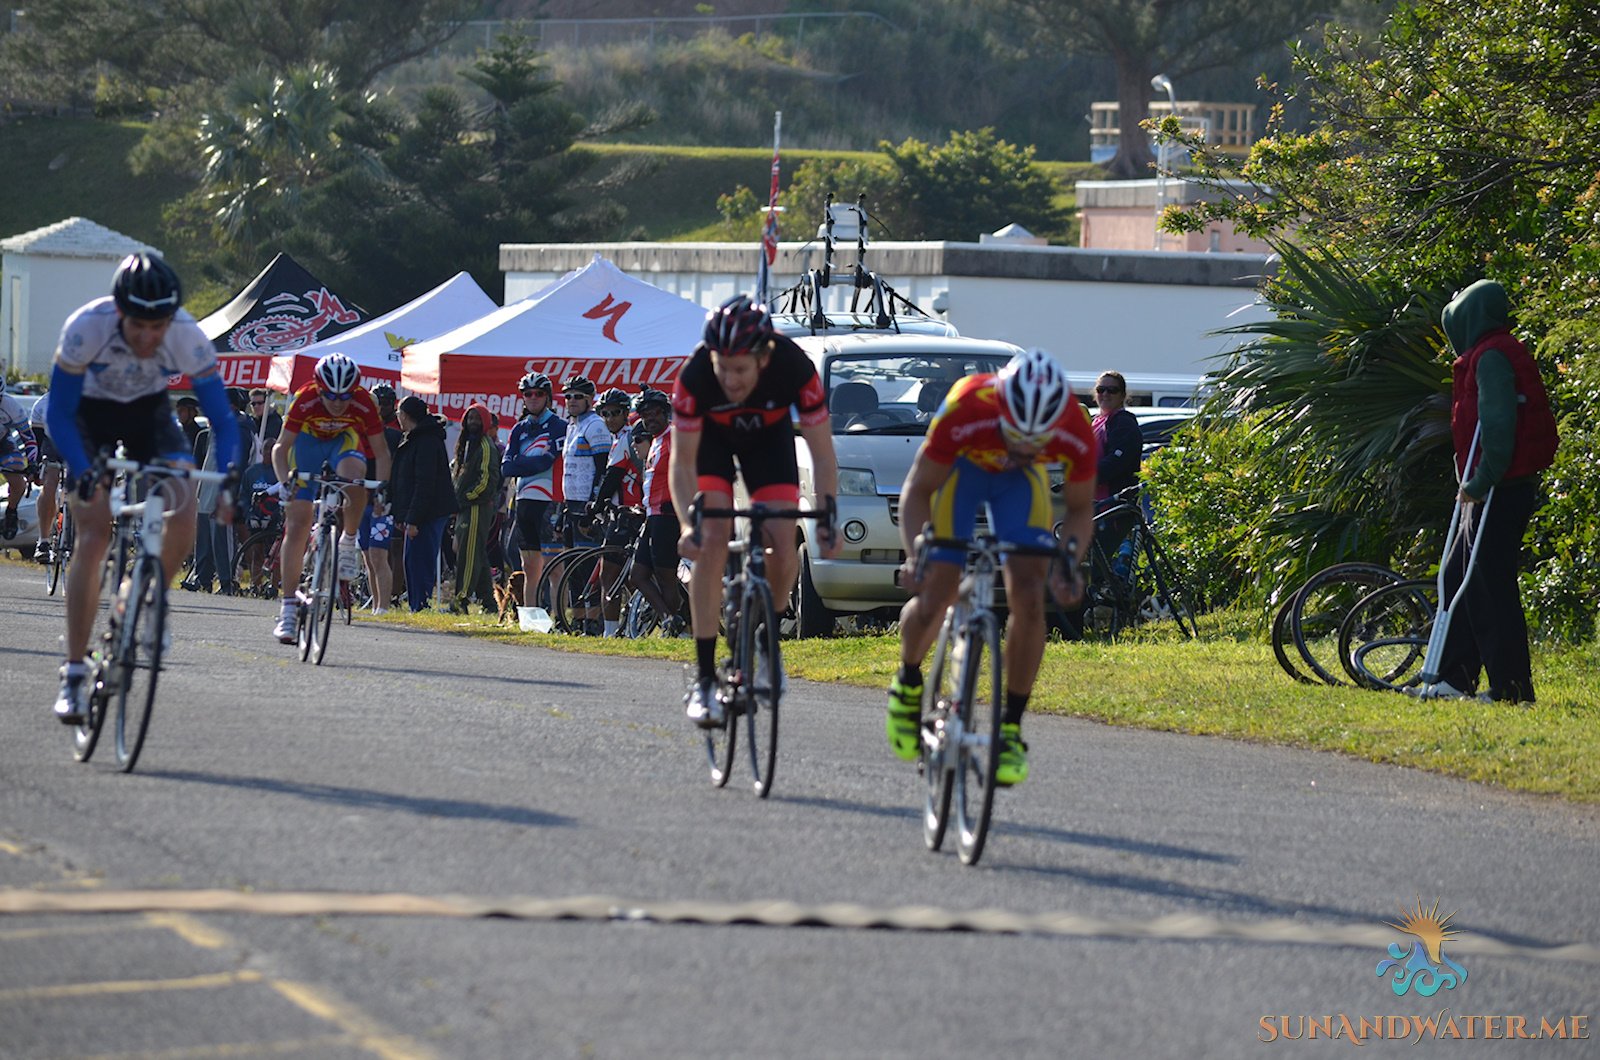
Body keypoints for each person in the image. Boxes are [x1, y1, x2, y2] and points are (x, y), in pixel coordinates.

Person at [886, 348, 1096, 787]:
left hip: (1019, 487)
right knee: (938, 591)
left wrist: (1069, 564)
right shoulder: (968, 404)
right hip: (961, 474)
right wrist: (916, 554)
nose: (1022, 447)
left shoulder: (1074, 426)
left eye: (1034, 441)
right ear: (1001, 406)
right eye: (1015, 434)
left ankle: (1011, 729)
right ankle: (907, 682)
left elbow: (1079, 510)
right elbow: (917, 491)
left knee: (1029, 596)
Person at [45, 252, 239, 722]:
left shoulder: (188, 336)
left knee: (184, 506)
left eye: (160, 326)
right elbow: (57, 413)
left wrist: (230, 473)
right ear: (119, 313)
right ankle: (73, 672)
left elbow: (224, 419)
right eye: (139, 326)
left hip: (148, 416)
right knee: (94, 532)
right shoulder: (86, 327)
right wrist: (82, 466)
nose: (150, 336)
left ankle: (143, 596)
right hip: (87, 418)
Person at [669, 293, 840, 725]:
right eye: (721, 367)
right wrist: (689, 524)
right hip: (712, 445)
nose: (729, 378)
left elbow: (822, 453)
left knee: (784, 544)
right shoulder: (694, 375)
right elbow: (682, 462)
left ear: (764, 358)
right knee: (710, 542)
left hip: (769, 442)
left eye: (740, 369)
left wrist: (828, 516)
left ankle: (766, 641)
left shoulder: (794, 367)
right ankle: (706, 679)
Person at [1425, 279, 1559, 703]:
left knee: (1488, 585)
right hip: (1487, 484)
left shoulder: (1494, 357)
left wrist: (1480, 481)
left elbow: (1499, 429)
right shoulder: (1487, 352)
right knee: (1458, 576)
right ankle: (1453, 679)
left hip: (1500, 486)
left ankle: (1512, 688)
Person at [269, 352, 391, 643]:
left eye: (344, 396)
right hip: (307, 443)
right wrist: (285, 481)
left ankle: (348, 541)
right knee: (297, 523)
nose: (337, 402)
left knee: (355, 477)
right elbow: (280, 448)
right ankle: (288, 608)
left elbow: (382, 452)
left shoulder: (362, 401)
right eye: (330, 396)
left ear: (355, 390)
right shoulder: (305, 398)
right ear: (318, 388)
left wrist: (382, 487)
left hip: (343, 440)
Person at [502, 372, 566, 608]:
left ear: (548, 397)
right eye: (528, 394)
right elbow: (506, 467)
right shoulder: (519, 429)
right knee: (529, 568)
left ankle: (559, 618)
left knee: (554, 567)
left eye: (539, 393)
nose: (533, 398)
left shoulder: (559, 426)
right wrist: (531, 463)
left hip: (548, 501)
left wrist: (523, 463)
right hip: (524, 501)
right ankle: (531, 619)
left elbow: (545, 462)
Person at [625, 387, 684, 635]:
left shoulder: (675, 439)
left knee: (665, 575)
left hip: (668, 515)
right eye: (644, 415)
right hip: (653, 514)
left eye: (654, 414)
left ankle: (672, 625)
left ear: (666, 413)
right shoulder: (657, 441)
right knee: (637, 575)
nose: (649, 419)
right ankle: (670, 618)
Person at [391, 396, 457, 611]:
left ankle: (421, 603)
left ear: (407, 415)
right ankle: (415, 603)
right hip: (417, 511)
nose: (397, 417)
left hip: (429, 511)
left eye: (399, 413)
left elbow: (424, 483)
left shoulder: (426, 441)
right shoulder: (414, 438)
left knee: (421, 559)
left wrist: (413, 519)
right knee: (411, 559)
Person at [590, 386, 642, 636]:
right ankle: (645, 620)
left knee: (608, 574)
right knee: (631, 576)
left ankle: (610, 632)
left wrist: (594, 508)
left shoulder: (625, 438)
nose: (610, 418)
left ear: (626, 413)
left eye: (615, 413)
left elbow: (612, 478)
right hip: (631, 514)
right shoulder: (625, 437)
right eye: (605, 413)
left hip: (626, 516)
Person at [450, 402, 498, 613]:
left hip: (477, 506)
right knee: (476, 553)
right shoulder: (466, 445)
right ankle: (489, 601)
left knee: (467, 554)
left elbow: (488, 480)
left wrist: (467, 498)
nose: (473, 423)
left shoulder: (486, 446)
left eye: (477, 419)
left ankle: (461, 599)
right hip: (464, 506)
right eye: (469, 419)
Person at [359, 383, 402, 612]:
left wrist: (386, 496)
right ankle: (375, 604)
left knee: (378, 555)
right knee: (367, 558)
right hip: (359, 503)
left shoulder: (393, 435)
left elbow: (395, 471)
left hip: (382, 504)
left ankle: (384, 607)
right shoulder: (354, 434)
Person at [0, 388, 38, 541]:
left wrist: (32, 463)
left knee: (18, 481)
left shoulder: (11, 405)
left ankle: (11, 511)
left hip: (3, 444)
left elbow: (28, 437)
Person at [27, 392, 60, 564]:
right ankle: (43, 541)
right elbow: (38, 443)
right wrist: (35, 468)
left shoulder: (87, 399)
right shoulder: (41, 405)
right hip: (51, 445)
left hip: (78, 443)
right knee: (49, 483)